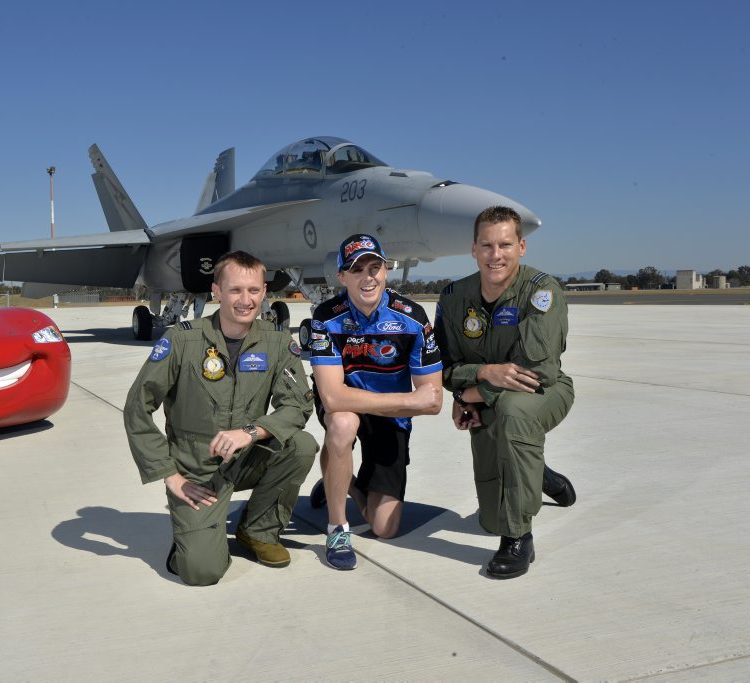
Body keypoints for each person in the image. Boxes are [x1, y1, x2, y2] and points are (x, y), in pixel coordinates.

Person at [123, 251, 317, 586]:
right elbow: (138, 407)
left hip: (246, 456)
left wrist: (251, 432)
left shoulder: (277, 343)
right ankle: (195, 539)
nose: (246, 300)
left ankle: (257, 531)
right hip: (195, 470)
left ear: (264, 292)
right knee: (202, 572)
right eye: (236, 290)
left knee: (300, 446)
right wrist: (170, 475)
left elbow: (297, 406)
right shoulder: (182, 339)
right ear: (217, 292)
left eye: (254, 290)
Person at [435, 205, 577, 580]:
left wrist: (471, 395)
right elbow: (444, 368)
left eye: (505, 245)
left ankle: (518, 538)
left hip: (544, 391)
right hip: (486, 395)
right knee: (488, 518)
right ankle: (537, 473)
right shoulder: (453, 298)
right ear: (474, 249)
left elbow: (537, 372)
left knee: (513, 413)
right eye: (487, 245)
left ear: (522, 247)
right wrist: (482, 375)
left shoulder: (540, 292)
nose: (495, 255)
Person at [309, 234, 443, 570]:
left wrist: (408, 403)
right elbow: (331, 396)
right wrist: (406, 400)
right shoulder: (325, 317)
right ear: (342, 277)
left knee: (385, 527)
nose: (367, 277)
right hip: (356, 408)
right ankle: (337, 528)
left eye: (375, 267)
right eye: (357, 269)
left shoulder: (412, 317)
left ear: (386, 271)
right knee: (341, 423)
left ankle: (345, 483)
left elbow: (433, 401)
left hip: (390, 418)